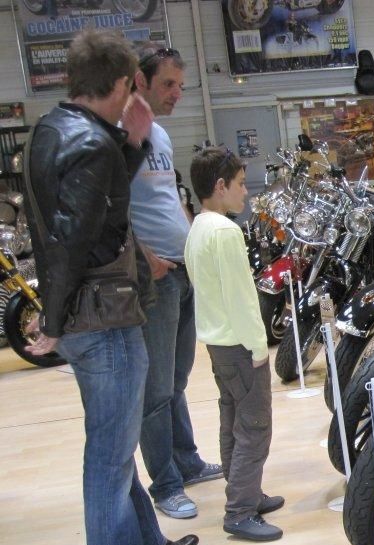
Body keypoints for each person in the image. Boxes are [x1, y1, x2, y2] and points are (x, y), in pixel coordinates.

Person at [24, 30, 197, 545]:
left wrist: (134, 141)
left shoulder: (52, 130)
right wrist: (52, 319)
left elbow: (89, 207)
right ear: (123, 83)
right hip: (103, 319)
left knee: (113, 448)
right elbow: (74, 239)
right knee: (109, 458)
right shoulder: (93, 143)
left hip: (89, 318)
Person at [131, 45, 222, 520]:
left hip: (183, 272)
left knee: (178, 379)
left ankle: (186, 462)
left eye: (181, 86)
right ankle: (165, 484)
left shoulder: (161, 134)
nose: (177, 94)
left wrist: (194, 242)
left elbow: (171, 199)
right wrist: (145, 258)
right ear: (139, 81)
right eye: (168, 84)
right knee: (156, 390)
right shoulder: (123, 136)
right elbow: (113, 209)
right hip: (157, 278)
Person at [184, 147, 284, 542]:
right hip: (239, 346)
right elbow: (241, 298)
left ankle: (244, 493)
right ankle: (240, 511)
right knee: (255, 427)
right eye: (241, 184)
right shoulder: (225, 232)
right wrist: (259, 348)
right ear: (221, 186)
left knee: (233, 421)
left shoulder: (198, 227)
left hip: (217, 343)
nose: (246, 191)